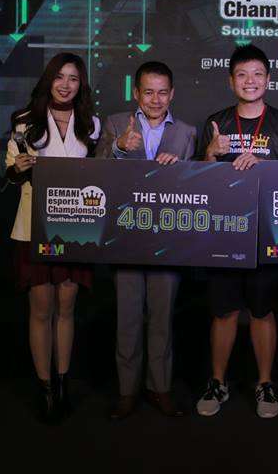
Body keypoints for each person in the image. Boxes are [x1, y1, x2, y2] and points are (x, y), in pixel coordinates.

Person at [195, 44, 278, 419]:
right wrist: (211, 153)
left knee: (262, 311)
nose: (250, 81)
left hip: (265, 234)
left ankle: (265, 384)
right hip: (225, 231)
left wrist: (263, 166)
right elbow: (197, 183)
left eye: (257, 74)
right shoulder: (216, 121)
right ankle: (217, 382)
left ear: (268, 80)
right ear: (231, 81)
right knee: (223, 311)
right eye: (242, 75)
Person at [96, 61, 196, 420]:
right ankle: (127, 391)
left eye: (162, 92)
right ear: (136, 93)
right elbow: (95, 171)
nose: (156, 99)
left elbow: (198, 186)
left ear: (172, 94)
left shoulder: (186, 132)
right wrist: (119, 147)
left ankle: (159, 388)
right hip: (125, 238)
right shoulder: (115, 124)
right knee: (127, 318)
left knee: (162, 318)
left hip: (167, 240)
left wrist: (181, 168)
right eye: (148, 92)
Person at [6, 52, 100, 423]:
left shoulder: (91, 124)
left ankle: (63, 382)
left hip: (76, 225)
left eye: (73, 78)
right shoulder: (24, 121)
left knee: (67, 306)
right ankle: (44, 388)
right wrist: (19, 167)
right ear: (49, 79)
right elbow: (11, 172)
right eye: (59, 76)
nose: (65, 85)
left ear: (81, 84)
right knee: (41, 308)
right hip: (34, 226)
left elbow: (100, 175)